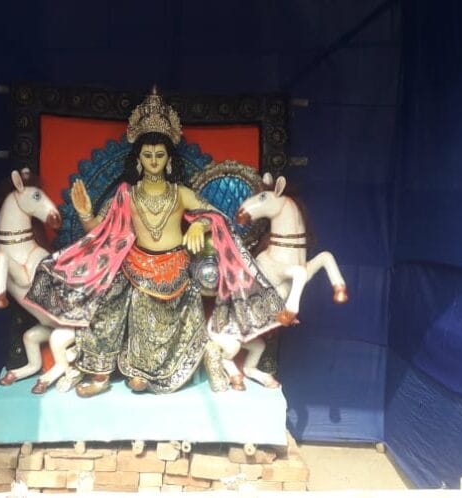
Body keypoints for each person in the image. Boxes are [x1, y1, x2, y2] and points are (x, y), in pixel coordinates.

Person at [22, 87, 282, 396]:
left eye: (160, 155)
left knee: (170, 321)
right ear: (138, 159)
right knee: (109, 302)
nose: (154, 161)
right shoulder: (126, 194)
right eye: (147, 155)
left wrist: (199, 225)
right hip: (135, 265)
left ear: (169, 158)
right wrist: (85, 213)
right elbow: (99, 230)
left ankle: (155, 373)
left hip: (176, 268)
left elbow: (218, 217)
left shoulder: (180, 193)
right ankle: (102, 374)